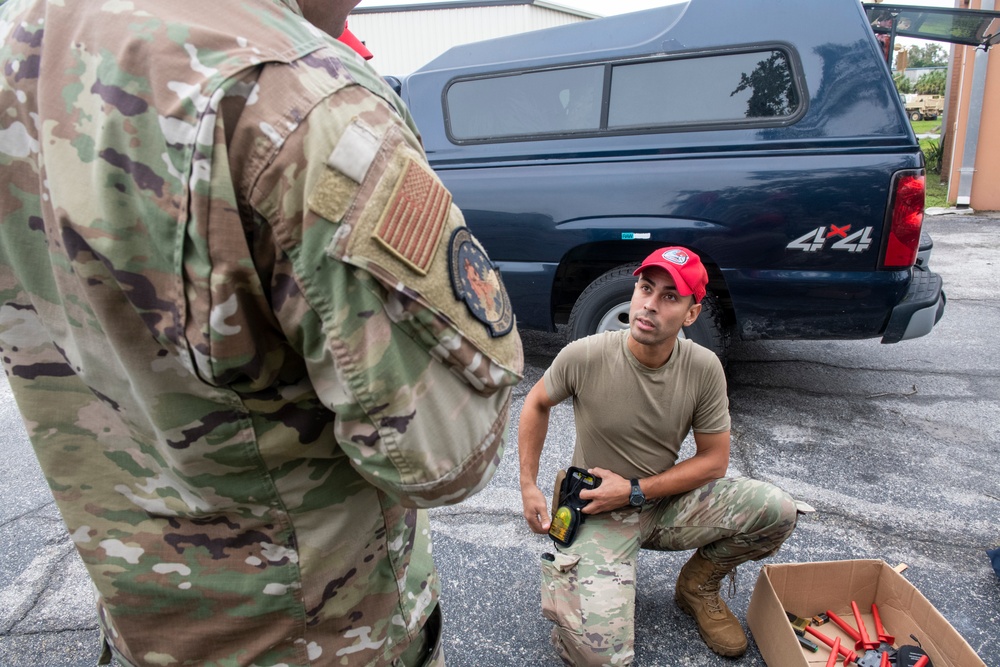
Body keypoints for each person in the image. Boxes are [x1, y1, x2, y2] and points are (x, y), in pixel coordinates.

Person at [0, 1, 522, 666]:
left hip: (140, 625)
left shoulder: (25, 41)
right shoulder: (292, 94)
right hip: (314, 636)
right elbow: (447, 456)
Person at [518, 246, 798, 665]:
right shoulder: (586, 354)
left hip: (659, 501)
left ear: (691, 313)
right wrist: (528, 485)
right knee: (599, 657)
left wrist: (634, 490)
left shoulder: (703, 368)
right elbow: (535, 403)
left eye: (670, 296)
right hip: (596, 508)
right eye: (646, 288)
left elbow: (713, 460)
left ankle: (697, 587)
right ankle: (586, 596)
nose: (649, 304)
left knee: (776, 510)